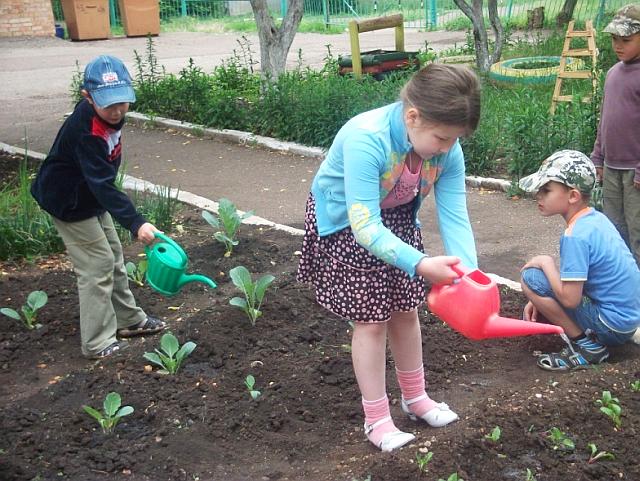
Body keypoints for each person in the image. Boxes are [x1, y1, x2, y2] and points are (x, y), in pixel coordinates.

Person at [297, 64, 481, 452]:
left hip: (394, 218)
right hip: (347, 222)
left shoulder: (447, 148)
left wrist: (470, 275)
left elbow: (454, 212)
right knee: (371, 321)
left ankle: (415, 398)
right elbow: (364, 226)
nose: (448, 147)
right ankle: (377, 419)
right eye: (442, 138)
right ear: (412, 116)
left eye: (455, 139)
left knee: (405, 310)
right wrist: (419, 263)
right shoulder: (367, 139)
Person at [31, 55, 166, 360]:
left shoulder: (109, 113)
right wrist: (136, 222)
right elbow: (102, 184)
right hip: (68, 201)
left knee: (114, 256)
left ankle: (129, 321)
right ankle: (96, 342)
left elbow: (100, 181)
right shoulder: (87, 132)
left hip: (88, 194)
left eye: (123, 102)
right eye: (109, 104)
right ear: (87, 97)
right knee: (97, 266)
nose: (118, 110)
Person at [519, 150, 640, 372]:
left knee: (531, 277)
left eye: (546, 190)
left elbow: (570, 300)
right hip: (627, 318)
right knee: (541, 282)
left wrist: (546, 264)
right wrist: (541, 297)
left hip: (610, 325)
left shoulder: (575, 235)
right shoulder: (596, 219)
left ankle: (586, 347)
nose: (538, 195)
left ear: (573, 196)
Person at [590, 4, 640, 266]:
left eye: (626, 40)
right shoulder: (612, 74)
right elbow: (605, 120)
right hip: (611, 168)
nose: (618, 45)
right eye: (614, 39)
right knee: (614, 231)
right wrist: (598, 157)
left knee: (637, 233)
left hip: (635, 173)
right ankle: (622, 288)